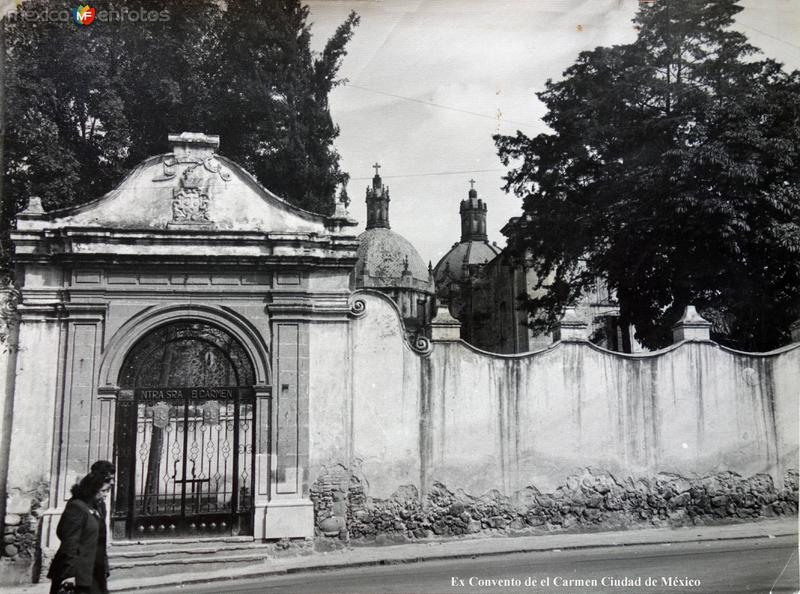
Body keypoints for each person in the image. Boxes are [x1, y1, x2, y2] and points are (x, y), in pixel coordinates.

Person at [48, 472, 112, 594]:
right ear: (92, 489)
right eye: (103, 491)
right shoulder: (76, 507)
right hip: (78, 574)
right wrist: (69, 574)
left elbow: (100, 541)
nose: (106, 495)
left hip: (94, 571)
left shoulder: (96, 508)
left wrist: (105, 566)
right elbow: (69, 543)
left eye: (107, 491)